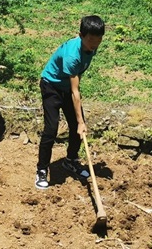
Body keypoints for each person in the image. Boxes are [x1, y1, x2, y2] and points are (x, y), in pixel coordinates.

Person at [35, 15, 105, 190]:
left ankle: (71, 160)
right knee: (51, 129)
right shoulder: (72, 56)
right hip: (51, 86)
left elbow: (76, 80)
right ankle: (42, 169)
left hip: (67, 86)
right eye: (90, 41)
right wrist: (80, 121)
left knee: (77, 127)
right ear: (81, 35)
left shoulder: (91, 47)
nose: (94, 45)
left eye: (98, 41)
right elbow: (75, 91)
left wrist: (79, 122)